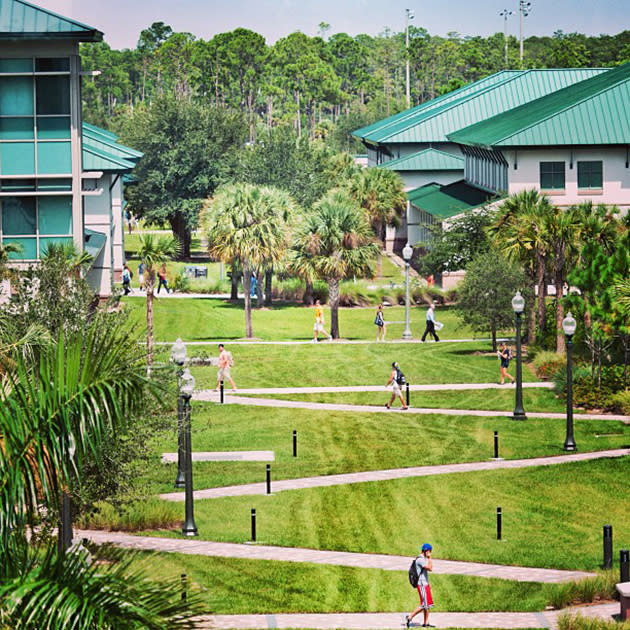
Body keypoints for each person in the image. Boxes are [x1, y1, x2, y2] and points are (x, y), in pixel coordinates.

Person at [406, 543, 435, 628]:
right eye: (429, 551)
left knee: (428, 605)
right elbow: (430, 568)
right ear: (426, 551)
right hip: (422, 584)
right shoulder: (420, 559)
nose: (430, 553)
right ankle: (410, 617)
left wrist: (428, 558)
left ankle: (425, 623)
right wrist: (430, 558)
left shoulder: (423, 559)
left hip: (425, 584)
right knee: (424, 604)